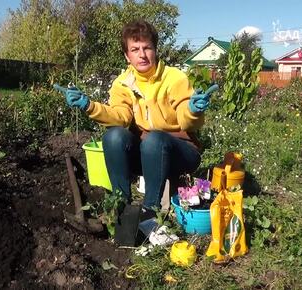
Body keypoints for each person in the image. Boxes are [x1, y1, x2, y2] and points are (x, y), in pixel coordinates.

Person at [55, 19, 218, 219]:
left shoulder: (174, 78)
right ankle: (120, 206)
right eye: (135, 49)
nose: (142, 54)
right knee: (114, 136)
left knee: (155, 140)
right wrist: (90, 106)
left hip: (181, 151)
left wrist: (192, 110)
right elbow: (121, 118)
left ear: (155, 50)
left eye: (147, 47)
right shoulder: (122, 84)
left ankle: (150, 212)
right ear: (127, 55)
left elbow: (186, 120)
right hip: (146, 153)